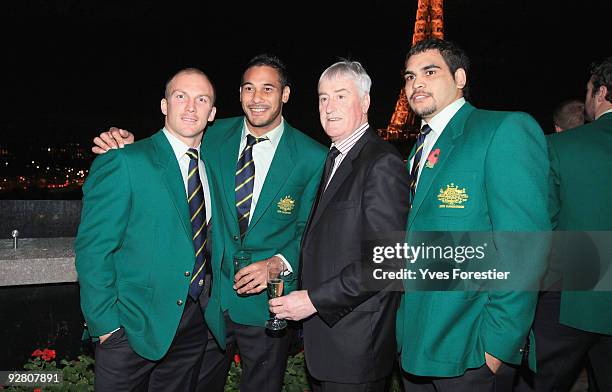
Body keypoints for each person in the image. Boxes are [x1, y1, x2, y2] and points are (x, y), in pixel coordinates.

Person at [92, 54, 327, 392]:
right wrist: (124, 144)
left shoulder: (312, 156)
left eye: (268, 89)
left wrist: (279, 263)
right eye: (249, 88)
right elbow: (171, 147)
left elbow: (309, 230)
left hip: (267, 307)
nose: (257, 98)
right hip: (208, 307)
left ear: (285, 94)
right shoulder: (214, 136)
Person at [395, 38, 550, 391]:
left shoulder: (501, 130)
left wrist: (498, 345)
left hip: (471, 346)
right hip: (416, 340)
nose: (416, 83)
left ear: (460, 77)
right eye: (409, 76)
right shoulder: (416, 151)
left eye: (429, 72)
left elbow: (526, 245)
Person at [269, 60, 411, 392]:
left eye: (341, 96)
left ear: (365, 102)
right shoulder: (335, 158)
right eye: (322, 97)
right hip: (330, 340)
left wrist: (314, 300)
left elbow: (388, 262)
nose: (329, 107)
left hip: (356, 346)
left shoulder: (381, 162)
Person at [75, 67, 219, 391]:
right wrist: (106, 328)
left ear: (212, 113)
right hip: (131, 330)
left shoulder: (213, 167)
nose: (191, 107)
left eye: (201, 99)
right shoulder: (125, 161)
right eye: (180, 96)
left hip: (193, 327)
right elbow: (93, 249)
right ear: (165, 105)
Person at [516, 56, 612, 392]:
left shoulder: (560, 147)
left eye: (588, 90)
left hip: (573, 296)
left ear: (600, 92)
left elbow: (540, 227)